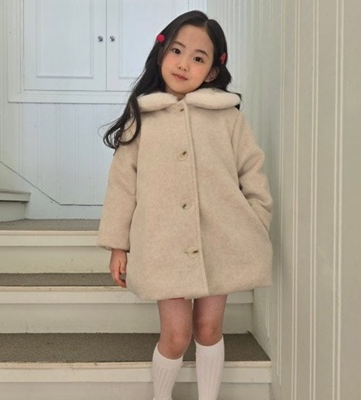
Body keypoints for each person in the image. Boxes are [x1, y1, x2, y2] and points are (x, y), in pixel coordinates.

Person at [98, 10, 273, 400]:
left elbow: (252, 170)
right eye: (177, 51)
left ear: (212, 71)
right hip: (163, 242)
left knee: (209, 330)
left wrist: (256, 220)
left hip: (221, 239)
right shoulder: (142, 119)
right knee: (176, 335)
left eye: (198, 58)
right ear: (161, 53)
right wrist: (117, 244)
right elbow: (123, 185)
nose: (183, 63)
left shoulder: (228, 118)